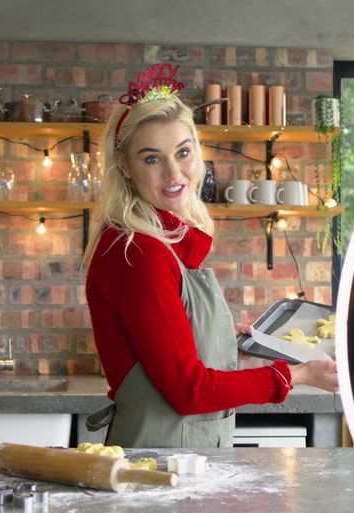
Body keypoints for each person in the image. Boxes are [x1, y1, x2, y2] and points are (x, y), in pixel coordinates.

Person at [82, 64, 339, 448]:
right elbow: (189, 390)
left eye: (183, 152)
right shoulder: (139, 252)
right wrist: (296, 375)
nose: (174, 172)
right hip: (158, 469)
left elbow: (170, 350)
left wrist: (221, 339)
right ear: (126, 168)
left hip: (181, 461)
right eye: (152, 158)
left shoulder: (159, 245)